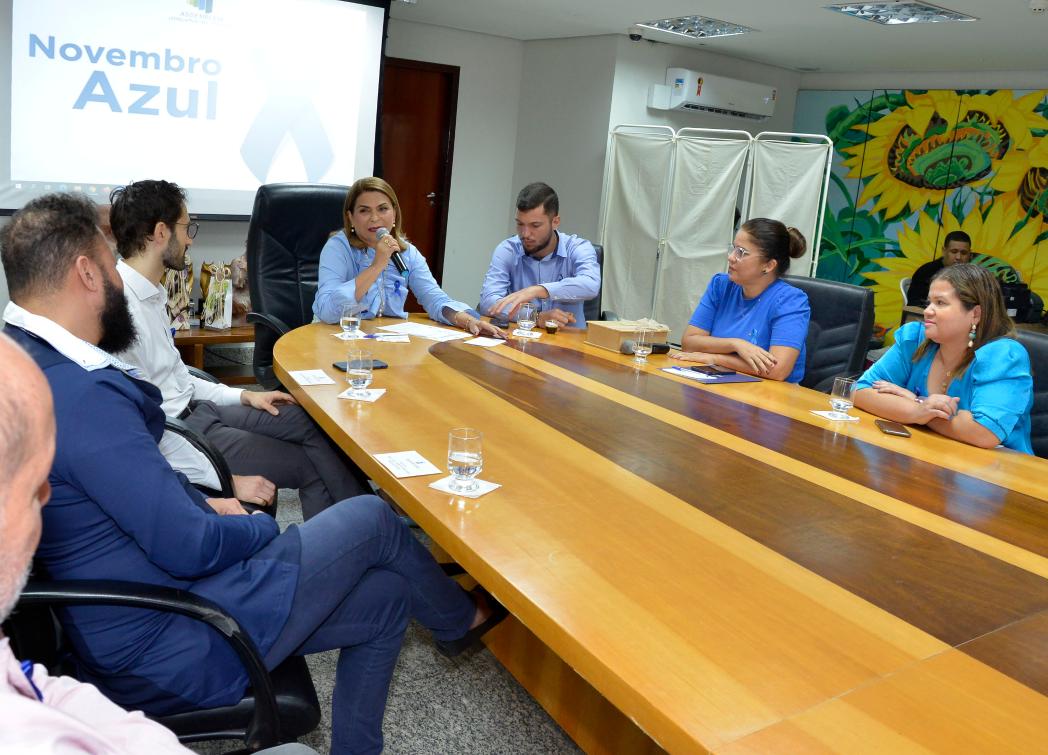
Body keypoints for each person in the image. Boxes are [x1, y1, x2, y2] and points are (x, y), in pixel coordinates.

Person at [1, 192, 507, 754]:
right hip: (174, 637)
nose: (121, 283)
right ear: (86, 275)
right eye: (110, 269)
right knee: (372, 518)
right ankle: (458, 620)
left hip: (145, 597)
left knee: (387, 599)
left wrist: (205, 505)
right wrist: (258, 526)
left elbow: (128, 494)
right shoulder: (84, 394)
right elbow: (188, 546)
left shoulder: (22, 363)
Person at [109, 180, 366, 519]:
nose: (189, 240)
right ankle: (356, 535)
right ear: (160, 233)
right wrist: (222, 476)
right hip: (186, 433)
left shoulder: (152, 293)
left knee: (310, 421)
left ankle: (368, 518)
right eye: (187, 229)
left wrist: (245, 397)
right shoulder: (119, 310)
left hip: (200, 409)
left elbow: (176, 376)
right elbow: (139, 428)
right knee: (309, 466)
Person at [855, 263, 1033, 452]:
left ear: (975, 314)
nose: (927, 311)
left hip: (997, 474)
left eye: (940, 303)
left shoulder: (1003, 356)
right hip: (924, 456)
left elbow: (983, 433)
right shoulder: (915, 339)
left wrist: (916, 403)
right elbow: (860, 391)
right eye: (928, 302)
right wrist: (918, 411)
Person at [313, 177, 503, 338]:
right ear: (351, 218)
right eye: (364, 210)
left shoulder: (406, 252)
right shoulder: (337, 248)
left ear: (394, 214)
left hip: (382, 341)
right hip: (333, 337)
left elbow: (434, 298)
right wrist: (377, 265)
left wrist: (468, 320)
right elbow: (328, 312)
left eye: (382, 209)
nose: (375, 218)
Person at [671, 218, 811, 382]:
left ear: (768, 265)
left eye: (741, 252)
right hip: (720, 387)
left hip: (770, 398)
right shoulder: (721, 285)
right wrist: (735, 344)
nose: (731, 257)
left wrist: (715, 359)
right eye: (733, 248)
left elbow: (778, 370)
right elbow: (689, 343)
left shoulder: (790, 301)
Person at [478, 182, 600, 327]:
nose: (525, 234)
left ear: (555, 222)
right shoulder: (507, 250)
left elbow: (591, 284)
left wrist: (539, 290)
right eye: (520, 224)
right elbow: (489, 302)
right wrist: (534, 317)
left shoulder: (578, 248)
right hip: (520, 343)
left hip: (569, 342)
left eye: (535, 226)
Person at [906, 230, 972, 307]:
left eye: (964, 253)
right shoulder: (926, 272)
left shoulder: (972, 276)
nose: (958, 257)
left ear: (970, 255)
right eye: (954, 252)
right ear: (944, 251)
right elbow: (915, 304)